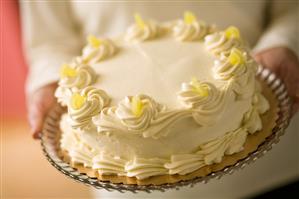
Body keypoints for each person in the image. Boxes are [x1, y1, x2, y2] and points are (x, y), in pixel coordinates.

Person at [20, 1, 299, 198]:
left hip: (274, 158)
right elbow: (49, 42)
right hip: (129, 179)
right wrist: (47, 80)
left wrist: (285, 41)